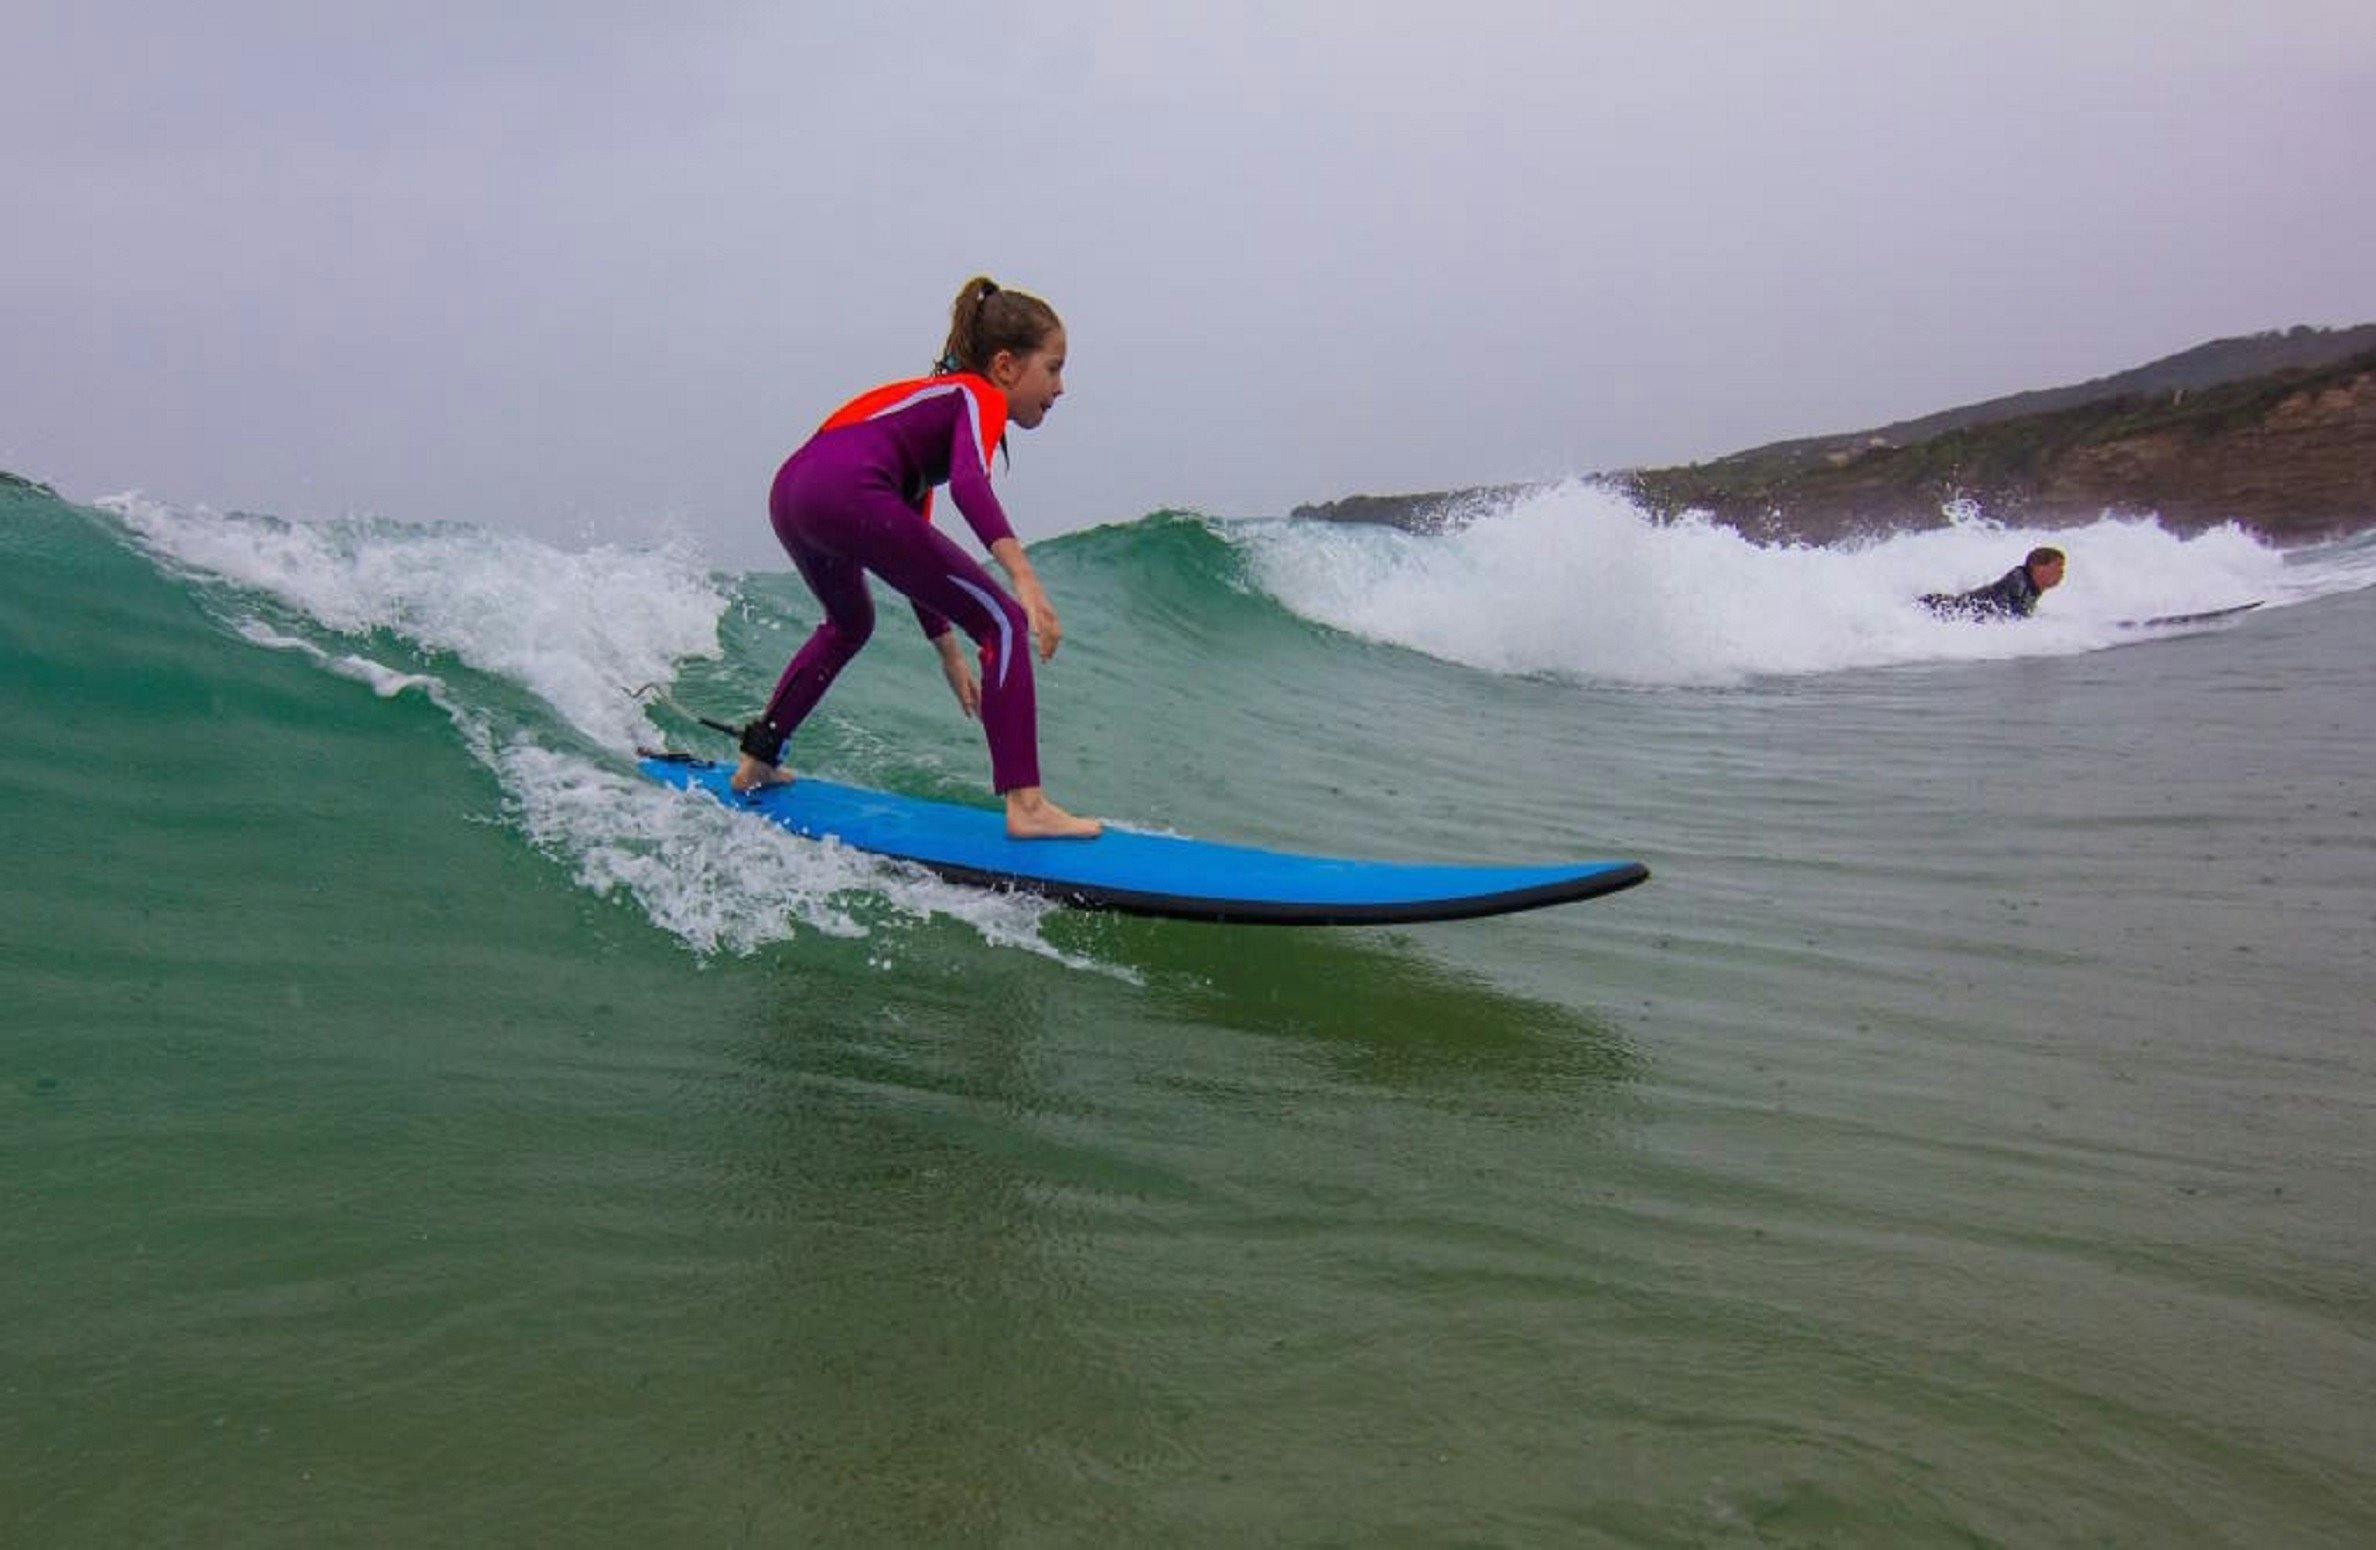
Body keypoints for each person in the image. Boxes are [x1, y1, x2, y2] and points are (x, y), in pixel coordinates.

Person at [731, 277, 1101, 840]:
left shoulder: (924, 411)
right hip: (849, 489)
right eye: (1053, 368)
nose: (1060, 387)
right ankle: (1027, 805)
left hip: (793, 491)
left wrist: (948, 653)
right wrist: (1023, 578)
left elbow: (914, 543)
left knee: (849, 624)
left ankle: (758, 759)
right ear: (1005, 366)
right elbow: (969, 486)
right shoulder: (974, 395)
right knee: (1004, 621)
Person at [1920, 546, 2066, 621]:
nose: (2061, 572)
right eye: (2057, 566)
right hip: (1943, 608)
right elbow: (2004, 614)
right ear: (2037, 567)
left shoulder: (2029, 585)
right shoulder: (2018, 583)